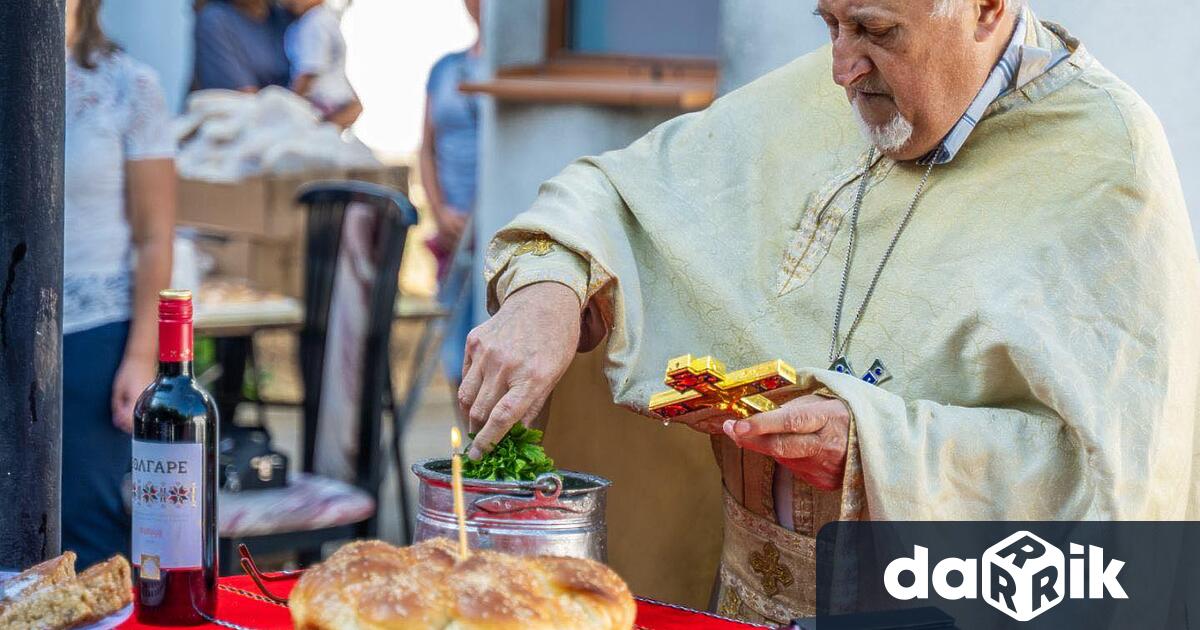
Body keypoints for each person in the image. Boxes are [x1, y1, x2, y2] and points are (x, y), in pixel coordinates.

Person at [459, 0, 1200, 624]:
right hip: (737, 594)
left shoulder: (1110, 159)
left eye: (878, 32)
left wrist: (872, 445)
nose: (842, 68)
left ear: (985, 9)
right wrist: (547, 292)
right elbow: (618, 194)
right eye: (830, 24)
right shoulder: (827, 85)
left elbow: (1118, 485)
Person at [63, 0, 177, 569]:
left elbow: (156, 235)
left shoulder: (129, 85)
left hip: (94, 337)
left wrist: (141, 355)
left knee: (86, 526)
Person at [420, 0, 482, 385]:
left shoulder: (511, 72)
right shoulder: (444, 69)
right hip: (454, 228)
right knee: (455, 353)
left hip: (498, 229)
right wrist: (441, 212)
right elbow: (426, 148)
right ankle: (472, 445)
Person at [281, 0, 363, 128]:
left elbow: (309, 72)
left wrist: (289, 108)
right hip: (338, 99)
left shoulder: (314, 22)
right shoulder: (324, 18)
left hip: (322, 104)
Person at [193, 0, 291, 92]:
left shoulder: (281, 16)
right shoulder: (215, 19)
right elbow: (244, 97)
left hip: (290, 105)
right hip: (251, 107)